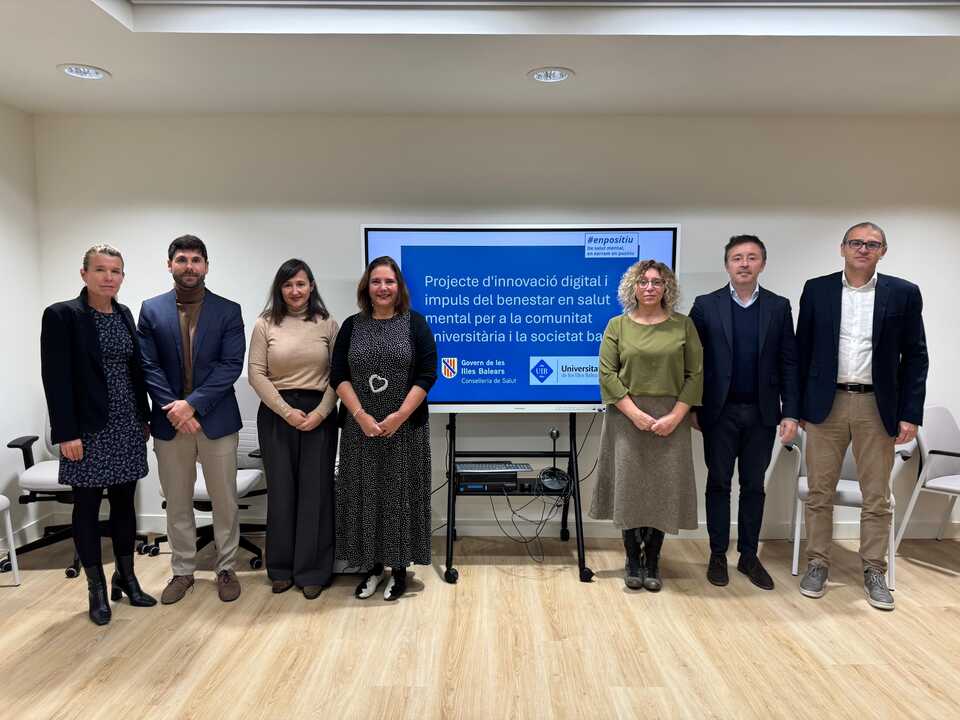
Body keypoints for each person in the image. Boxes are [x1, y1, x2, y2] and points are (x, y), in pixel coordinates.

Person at [796, 221, 928, 611]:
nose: (863, 249)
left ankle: (874, 569)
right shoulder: (817, 289)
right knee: (819, 492)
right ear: (842, 248)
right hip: (826, 404)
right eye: (856, 242)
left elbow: (916, 357)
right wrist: (797, 407)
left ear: (883, 251)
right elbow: (801, 352)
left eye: (872, 244)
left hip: (877, 406)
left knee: (877, 496)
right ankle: (817, 563)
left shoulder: (903, 293)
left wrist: (910, 413)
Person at [40, 244, 156, 625]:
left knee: (124, 504)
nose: (109, 277)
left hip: (126, 424)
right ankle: (96, 589)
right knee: (87, 508)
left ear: (122, 276)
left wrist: (144, 416)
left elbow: (134, 371)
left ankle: (127, 576)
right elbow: (55, 379)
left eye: (116, 271)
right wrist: (66, 433)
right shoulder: (62, 315)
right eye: (101, 270)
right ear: (84, 274)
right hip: (87, 430)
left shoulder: (124, 314)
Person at [137, 234, 246, 604]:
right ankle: (182, 570)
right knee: (177, 501)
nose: (189, 266)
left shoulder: (228, 310)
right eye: (182, 259)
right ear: (170, 265)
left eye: (196, 260)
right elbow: (148, 366)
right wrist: (176, 409)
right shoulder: (151, 310)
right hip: (170, 424)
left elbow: (230, 365)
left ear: (206, 266)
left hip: (216, 421)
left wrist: (193, 405)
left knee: (225, 500)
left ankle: (226, 567)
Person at [690, 235, 800, 591]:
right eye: (737, 257)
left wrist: (791, 412)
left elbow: (789, 362)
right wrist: (692, 407)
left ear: (762, 264)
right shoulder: (705, 306)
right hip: (718, 413)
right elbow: (691, 362)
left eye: (752, 257)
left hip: (762, 414)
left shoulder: (778, 307)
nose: (744, 264)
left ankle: (749, 555)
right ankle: (717, 554)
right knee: (719, 483)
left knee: (753, 486)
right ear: (727, 265)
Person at [592, 259, 703, 591]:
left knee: (662, 490)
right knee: (630, 489)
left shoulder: (683, 326)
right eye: (643, 282)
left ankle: (652, 560)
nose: (650, 287)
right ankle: (632, 559)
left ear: (667, 287)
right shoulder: (617, 326)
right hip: (626, 419)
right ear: (633, 288)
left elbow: (695, 375)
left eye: (657, 282)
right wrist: (635, 414)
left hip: (671, 419)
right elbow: (607, 374)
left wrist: (676, 416)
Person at [331, 256, 437, 601]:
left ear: (398, 287)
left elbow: (427, 375)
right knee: (366, 496)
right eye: (376, 281)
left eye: (389, 281)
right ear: (367, 287)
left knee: (399, 498)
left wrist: (399, 416)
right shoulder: (351, 326)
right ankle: (373, 569)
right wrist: (361, 415)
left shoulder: (415, 324)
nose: (383, 288)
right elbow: (338, 376)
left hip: (405, 430)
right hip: (360, 430)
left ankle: (400, 570)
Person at [248, 259, 339, 599]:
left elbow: (339, 375)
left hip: (320, 413)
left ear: (311, 286)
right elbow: (256, 373)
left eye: (301, 283)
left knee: (316, 492)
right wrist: (287, 412)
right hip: (277, 414)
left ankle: (312, 570)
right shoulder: (265, 324)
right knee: (282, 492)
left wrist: (321, 413)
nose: (295, 290)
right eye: (288, 285)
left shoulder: (328, 324)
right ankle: (281, 568)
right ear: (280, 289)